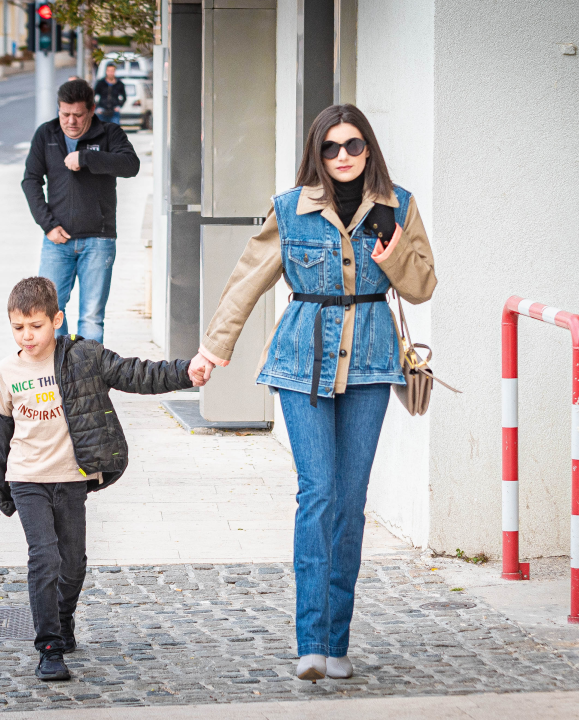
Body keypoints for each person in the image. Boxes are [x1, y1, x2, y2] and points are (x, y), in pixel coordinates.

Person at [187, 104, 437, 681]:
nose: (342, 156)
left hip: (372, 364)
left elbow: (423, 286)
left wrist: (393, 251)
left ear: (368, 148)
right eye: (331, 148)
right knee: (318, 493)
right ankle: (310, 644)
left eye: (352, 145)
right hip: (302, 363)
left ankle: (337, 641)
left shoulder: (398, 205)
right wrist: (212, 350)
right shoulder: (290, 209)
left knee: (350, 503)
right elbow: (245, 282)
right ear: (316, 153)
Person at [0, 276, 196, 681]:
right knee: (45, 557)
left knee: (72, 563)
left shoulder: (84, 357)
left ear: (56, 319)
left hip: (70, 478)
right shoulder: (5, 372)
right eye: (18, 327)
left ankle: (62, 618)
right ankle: (49, 647)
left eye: (36, 326)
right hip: (27, 479)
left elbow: (136, 373)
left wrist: (187, 372)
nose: (27, 336)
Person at [22, 79, 140, 344]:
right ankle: (59, 376)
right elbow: (30, 181)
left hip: (99, 240)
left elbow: (131, 165)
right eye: (65, 114)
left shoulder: (109, 133)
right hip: (57, 241)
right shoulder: (46, 134)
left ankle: (87, 380)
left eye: (78, 115)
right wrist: (48, 224)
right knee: (49, 314)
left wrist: (86, 158)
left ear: (91, 110)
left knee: (91, 317)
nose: (71, 121)